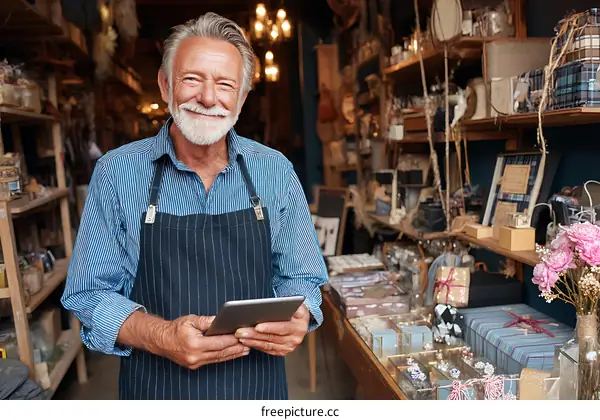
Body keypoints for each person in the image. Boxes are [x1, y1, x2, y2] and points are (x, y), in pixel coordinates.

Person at [61, 12, 327, 400]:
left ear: (242, 96)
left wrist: (301, 315)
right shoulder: (116, 173)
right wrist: (162, 335)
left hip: (256, 389)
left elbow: (303, 278)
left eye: (224, 84)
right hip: (157, 389)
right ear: (165, 85)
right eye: (192, 79)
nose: (207, 98)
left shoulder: (275, 171)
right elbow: (88, 293)